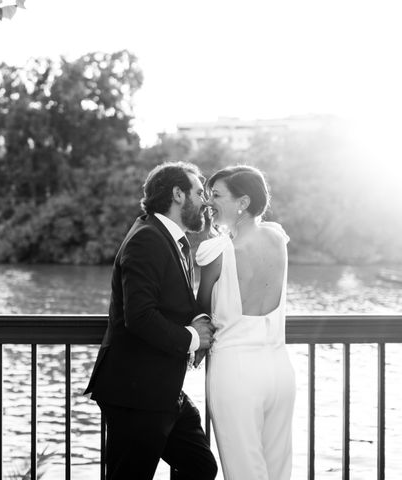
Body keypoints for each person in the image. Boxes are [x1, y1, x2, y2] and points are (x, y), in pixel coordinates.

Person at [84, 161, 218, 480]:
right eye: (199, 192)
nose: (206, 200)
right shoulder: (147, 239)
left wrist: (198, 318)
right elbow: (140, 316)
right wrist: (194, 338)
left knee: (201, 466)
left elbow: (170, 302)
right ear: (177, 194)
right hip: (135, 392)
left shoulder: (171, 239)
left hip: (161, 388)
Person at [196, 165, 295, 480]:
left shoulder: (216, 251)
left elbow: (200, 311)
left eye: (216, 195)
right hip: (280, 369)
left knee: (244, 472)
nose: (209, 203)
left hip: (236, 371)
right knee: (278, 469)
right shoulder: (277, 238)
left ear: (242, 202)